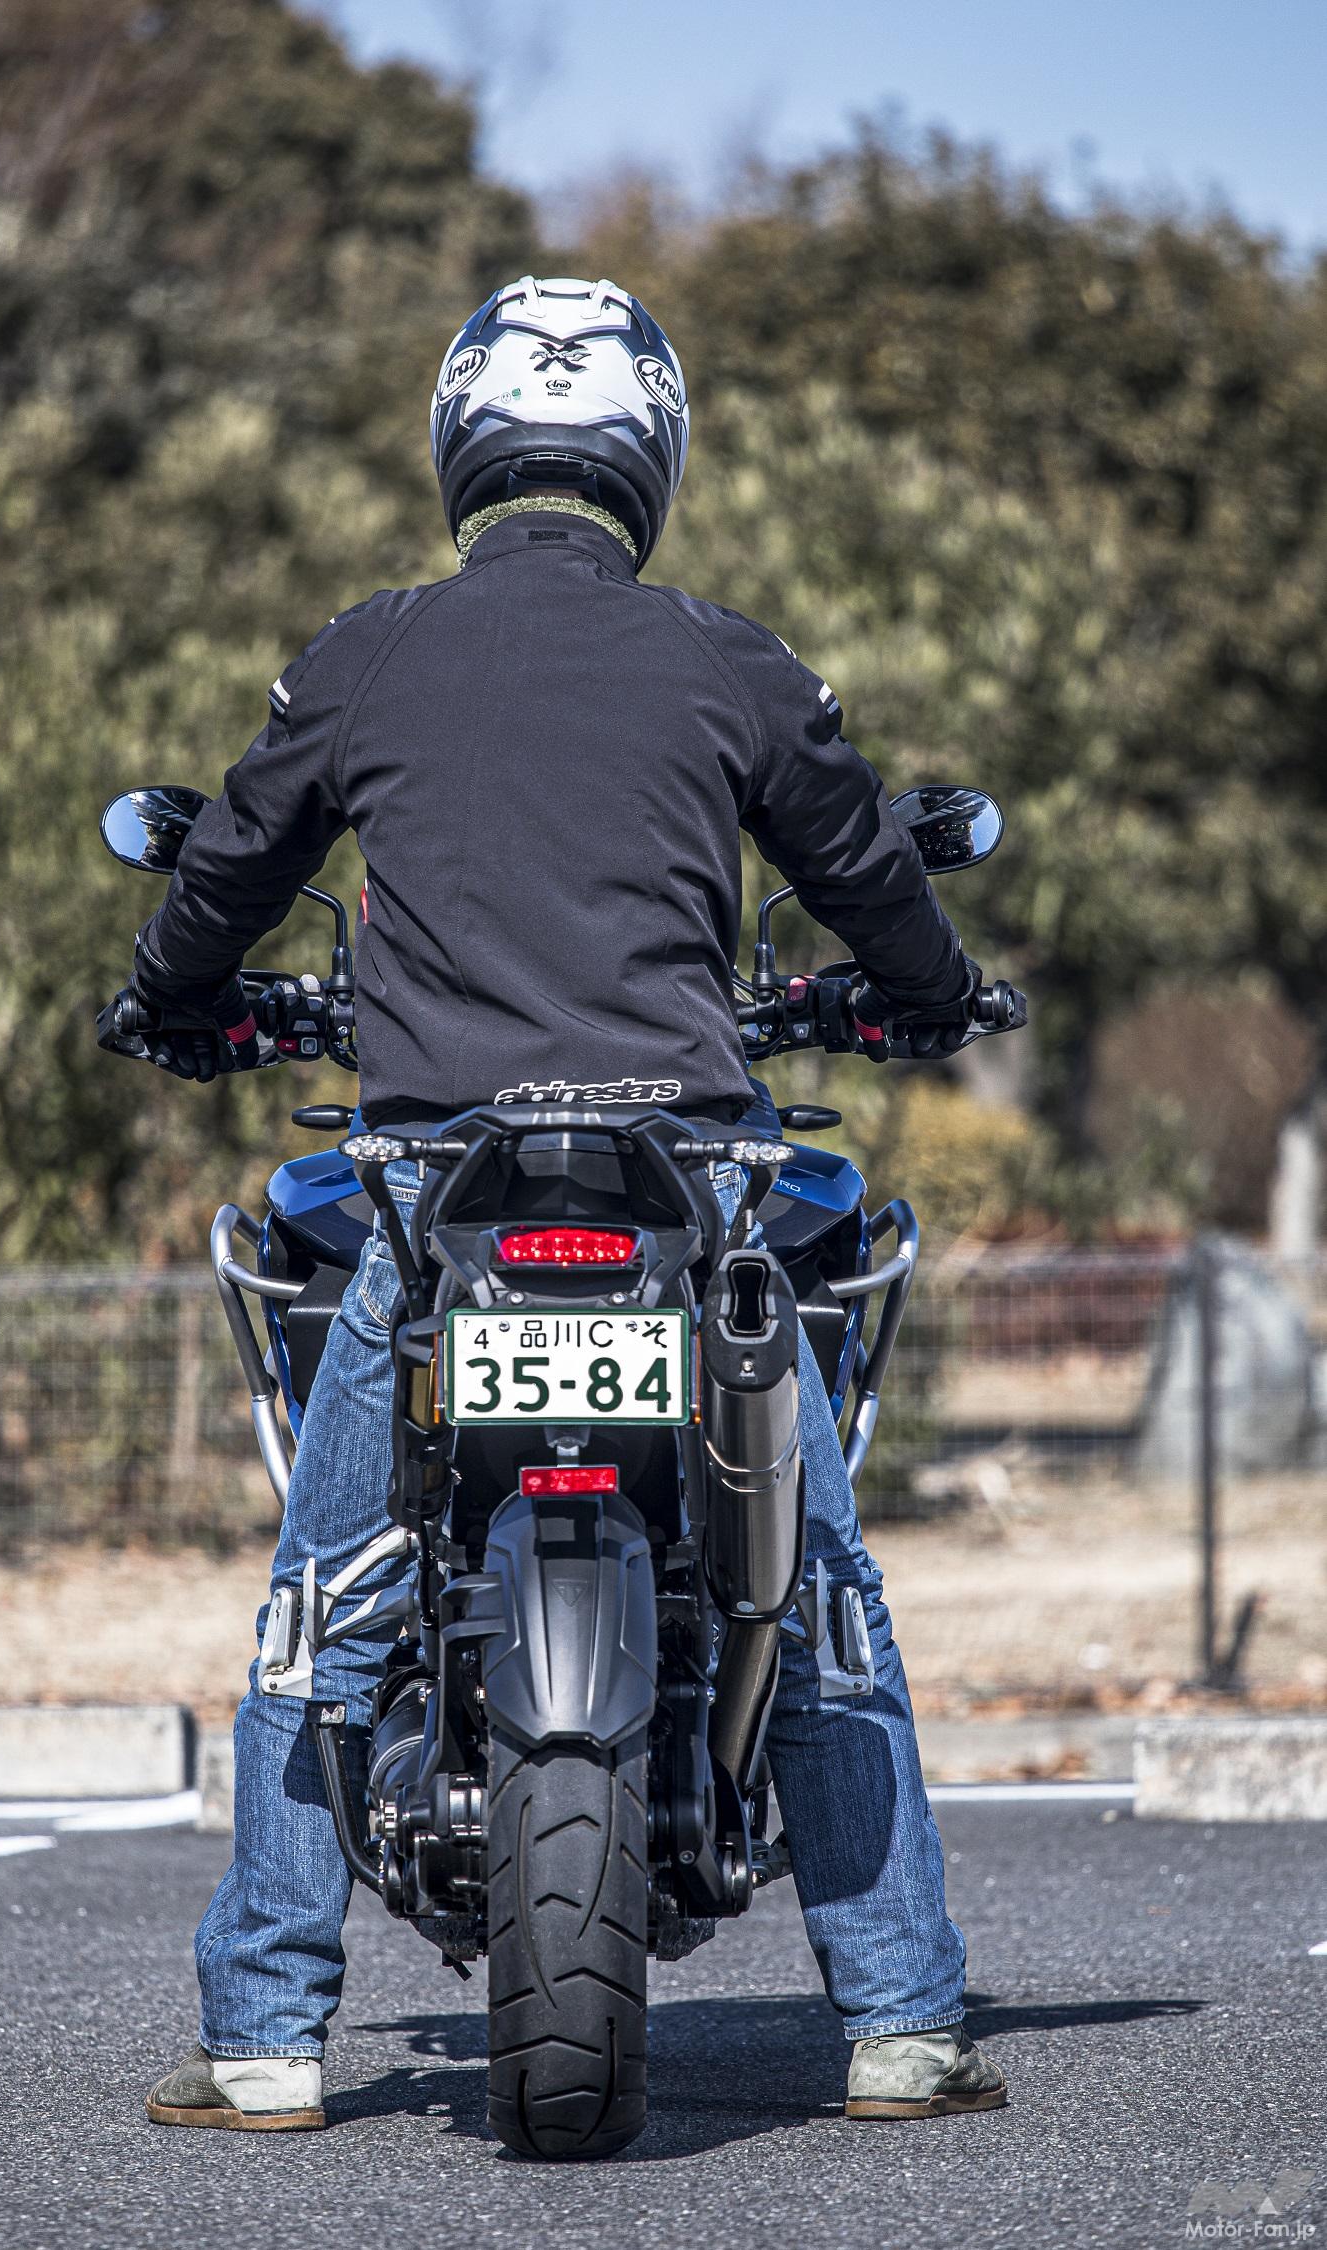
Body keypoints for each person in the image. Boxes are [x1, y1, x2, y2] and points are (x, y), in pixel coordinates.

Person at [106, 276, 1008, 2133]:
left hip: (441, 1199)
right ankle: (905, 2025)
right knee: (819, 1595)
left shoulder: (366, 654)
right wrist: (934, 993)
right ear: (649, 449)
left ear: (464, 439)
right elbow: (870, 879)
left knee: (327, 1601)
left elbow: (227, 876)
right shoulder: (730, 659)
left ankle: (267, 2038)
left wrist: (167, 999)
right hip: (693, 1194)